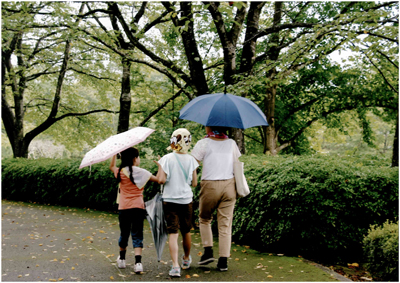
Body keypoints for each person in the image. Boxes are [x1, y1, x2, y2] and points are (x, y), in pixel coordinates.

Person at [190, 126, 240, 272]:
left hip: (210, 185)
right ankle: (223, 261)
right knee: (225, 224)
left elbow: (193, 164)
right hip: (230, 185)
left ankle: (208, 251)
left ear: (209, 126)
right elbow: (237, 162)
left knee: (204, 218)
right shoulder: (231, 143)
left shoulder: (203, 143)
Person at [109, 147, 165, 273]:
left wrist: (114, 154)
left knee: (124, 233)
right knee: (137, 234)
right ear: (134, 159)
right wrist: (161, 166)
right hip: (138, 207)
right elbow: (159, 180)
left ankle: (122, 260)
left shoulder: (120, 172)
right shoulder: (142, 172)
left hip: (124, 207)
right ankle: (138, 263)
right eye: (138, 157)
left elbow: (112, 166)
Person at [158, 128, 199, 277]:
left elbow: (161, 180)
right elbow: (194, 183)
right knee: (186, 231)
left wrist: (159, 167)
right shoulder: (192, 160)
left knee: (173, 233)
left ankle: (175, 266)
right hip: (186, 200)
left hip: (169, 200)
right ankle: (186, 259)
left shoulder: (166, 158)